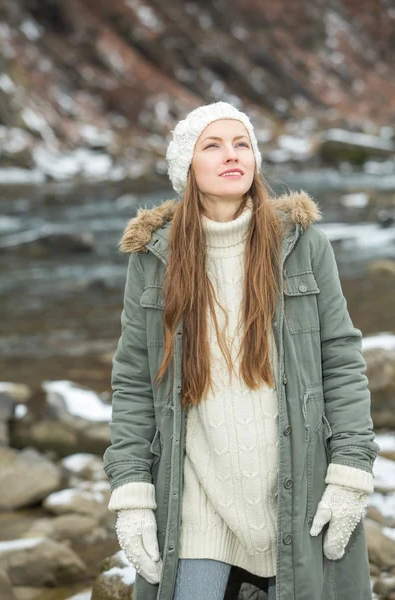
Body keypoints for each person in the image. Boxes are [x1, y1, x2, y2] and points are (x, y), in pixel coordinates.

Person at [103, 101, 380, 600]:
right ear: (187, 166)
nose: (233, 155)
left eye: (242, 144)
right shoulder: (153, 259)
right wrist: (131, 495)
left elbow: (340, 360)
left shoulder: (302, 244)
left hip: (298, 493)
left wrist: (351, 472)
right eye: (213, 145)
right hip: (199, 503)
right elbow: (132, 382)